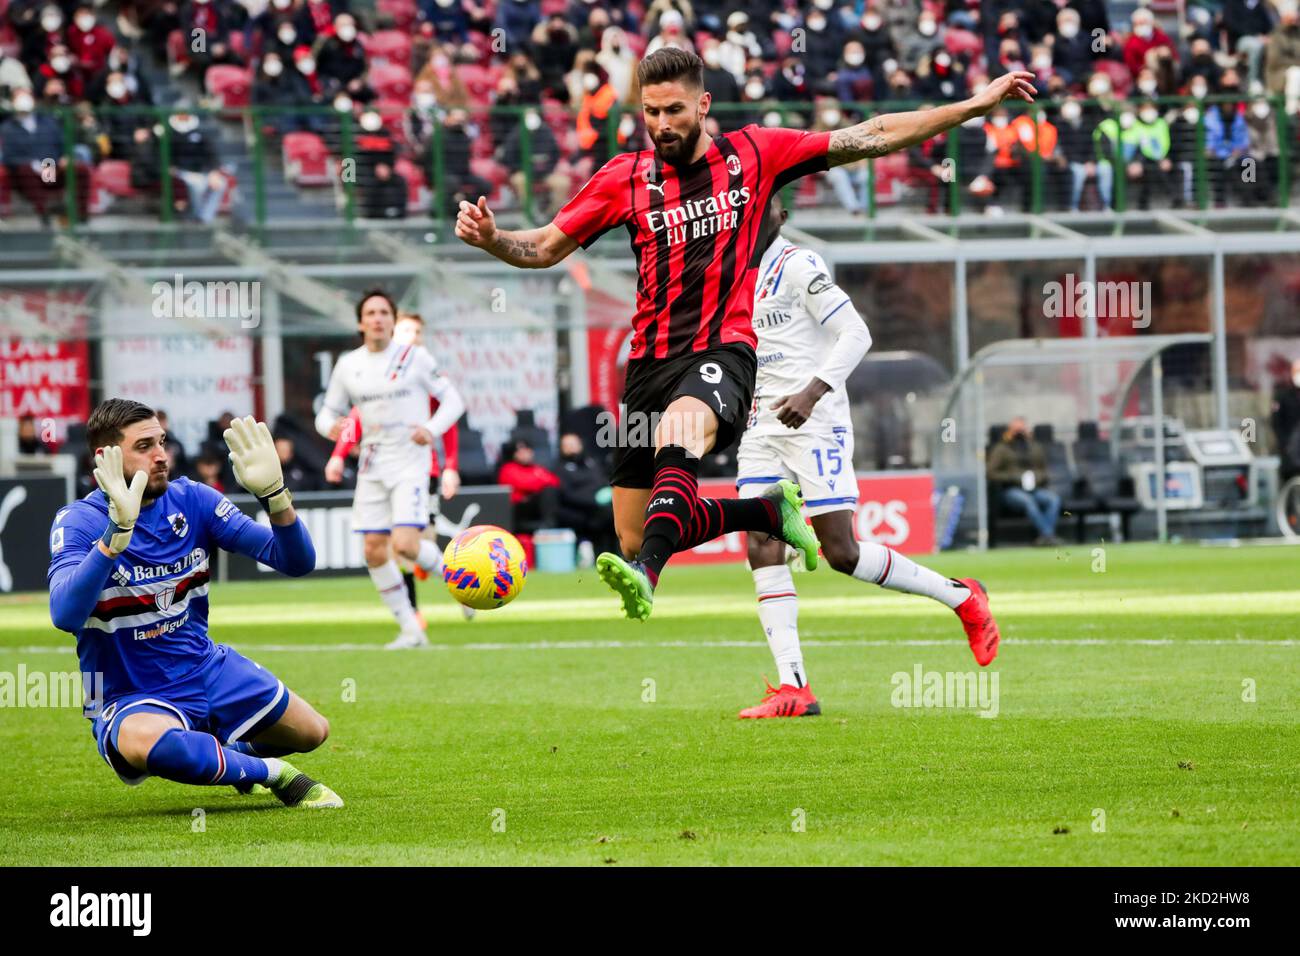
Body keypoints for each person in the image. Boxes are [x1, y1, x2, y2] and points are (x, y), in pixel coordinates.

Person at [454, 46, 1035, 620]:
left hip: (721, 354)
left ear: (703, 105)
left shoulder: (756, 153)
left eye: (674, 110)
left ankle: (647, 577)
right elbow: (547, 246)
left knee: (676, 447)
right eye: (651, 112)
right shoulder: (623, 178)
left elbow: (872, 134)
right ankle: (765, 513)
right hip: (647, 367)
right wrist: (493, 239)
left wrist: (970, 106)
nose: (662, 124)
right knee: (634, 532)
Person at [734, 195, 1000, 719]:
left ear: (781, 216)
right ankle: (794, 687)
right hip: (761, 426)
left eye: (766, 205)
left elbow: (857, 333)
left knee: (842, 553)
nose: (753, 213)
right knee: (762, 545)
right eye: (747, 204)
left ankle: (962, 596)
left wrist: (812, 392)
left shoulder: (799, 265)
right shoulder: (726, 269)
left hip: (815, 421)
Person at [47, 399, 341, 809]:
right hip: (130, 693)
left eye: (162, 442)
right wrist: (114, 538)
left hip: (205, 666)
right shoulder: (79, 521)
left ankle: (223, 757)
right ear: (105, 457)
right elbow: (64, 614)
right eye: (145, 446)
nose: (162, 455)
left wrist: (275, 497)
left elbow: (295, 561)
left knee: (311, 732)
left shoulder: (194, 501)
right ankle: (275, 774)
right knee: (153, 746)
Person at [315, 290, 466, 649]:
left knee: (406, 545)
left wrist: (430, 429)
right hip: (371, 464)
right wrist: (329, 429)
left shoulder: (415, 357)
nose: (378, 318)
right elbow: (328, 411)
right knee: (373, 550)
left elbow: (454, 401)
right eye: (371, 312)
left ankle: (459, 580)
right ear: (360, 322)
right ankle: (411, 628)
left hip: (410, 464)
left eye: (384, 312)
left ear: (393, 321)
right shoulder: (348, 365)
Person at [987, 417, 1061, 546]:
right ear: (1009, 431)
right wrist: (1014, 477)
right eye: (1016, 430)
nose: (1019, 433)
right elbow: (991, 473)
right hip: (1011, 490)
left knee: (1053, 500)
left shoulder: (1035, 447)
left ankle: (1045, 536)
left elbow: (1045, 471)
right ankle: (1048, 535)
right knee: (1028, 501)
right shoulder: (1001, 449)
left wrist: (1036, 477)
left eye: (1022, 429)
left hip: (1034, 489)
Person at [555, 432, 616, 556]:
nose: (571, 447)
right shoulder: (560, 468)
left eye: (574, 444)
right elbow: (567, 494)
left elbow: (604, 482)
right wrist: (594, 501)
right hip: (578, 510)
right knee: (606, 515)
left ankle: (620, 554)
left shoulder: (592, 463)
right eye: (567, 445)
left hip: (603, 506)